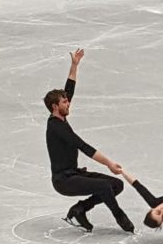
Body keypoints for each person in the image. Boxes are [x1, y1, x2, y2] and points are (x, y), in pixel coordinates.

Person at [44, 49, 134, 234]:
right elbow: (83, 147)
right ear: (55, 107)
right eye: (64, 102)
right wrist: (109, 164)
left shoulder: (61, 116)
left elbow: (69, 90)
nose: (68, 103)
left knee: (116, 185)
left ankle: (80, 209)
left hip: (74, 174)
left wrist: (74, 65)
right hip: (63, 180)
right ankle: (119, 216)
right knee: (103, 186)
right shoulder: (56, 127)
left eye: (67, 101)